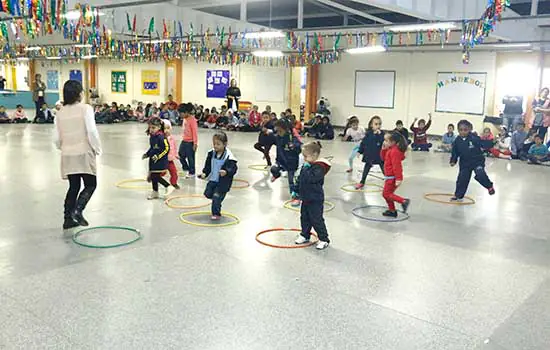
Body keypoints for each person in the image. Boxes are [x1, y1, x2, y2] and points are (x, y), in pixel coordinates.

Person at [54, 80, 102, 230]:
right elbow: (91, 131)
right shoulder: (85, 109)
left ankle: (67, 219)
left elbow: (56, 137)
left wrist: (64, 147)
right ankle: (77, 210)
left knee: (73, 187)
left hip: (67, 154)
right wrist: (97, 148)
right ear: (78, 93)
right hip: (84, 152)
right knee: (90, 184)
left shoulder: (60, 112)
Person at [293, 141, 331, 250]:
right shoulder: (308, 166)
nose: (304, 158)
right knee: (304, 218)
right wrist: (296, 191)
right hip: (306, 198)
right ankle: (305, 235)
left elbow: (312, 178)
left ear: (314, 155)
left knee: (316, 219)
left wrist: (305, 168)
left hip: (315, 199)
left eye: (306, 156)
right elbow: (300, 179)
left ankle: (324, 239)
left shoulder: (319, 167)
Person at [450, 119, 495, 202]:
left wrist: (492, 143)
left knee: (480, 174)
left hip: (477, 161)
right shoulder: (457, 141)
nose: (463, 132)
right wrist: (453, 160)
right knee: (462, 179)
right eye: (460, 130)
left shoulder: (474, 138)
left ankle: (489, 186)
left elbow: (483, 143)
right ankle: (458, 195)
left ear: (469, 129)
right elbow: (455, 152)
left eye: (465, 130)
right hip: (465, 163)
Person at [198, 131, 238, 220]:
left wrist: (226, 171)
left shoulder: (229, 156)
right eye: (214, 143)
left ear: (225, 144)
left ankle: (216, 213)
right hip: (213, 179)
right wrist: (205, 173)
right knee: (207, 194)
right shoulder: (211, 153)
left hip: (222, 183)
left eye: (218, 144)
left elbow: (234, 168)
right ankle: (217, 199)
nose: (215, 146)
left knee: (216, 197)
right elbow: (208, 165)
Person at [271, 119, 302, 205]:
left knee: (292, 182)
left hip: (291, 163)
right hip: (281, 162)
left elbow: (299, 147)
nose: (278, 133)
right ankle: (277, 174)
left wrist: (294, 146)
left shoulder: (292, 138)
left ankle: (296, 197)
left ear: (286, 129)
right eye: (277, 131)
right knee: (273, 169)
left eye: (280, 131)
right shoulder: (278, 137)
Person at [143, 117, 175, 200]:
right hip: (153, 160)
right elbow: (152, 148)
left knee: (155, 176)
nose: (151, 129)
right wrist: (147, 154)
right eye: (150, 127)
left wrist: (158, 156)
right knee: (153, 175)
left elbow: (166, 149)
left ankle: (168, 186)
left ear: (159, 127)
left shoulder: (161, 137)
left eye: (153, 127)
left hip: (160, 161)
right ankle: (155, 192)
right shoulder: (152, 137)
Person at [380, 132, 411, 218]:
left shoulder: (394, 152)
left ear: (393, 142)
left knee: (386, 194)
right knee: (387, 194)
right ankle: (392, 211)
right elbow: (383, 158)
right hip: (389, 177)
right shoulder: (390, 149)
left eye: (386, 140)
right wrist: (383, 149)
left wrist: (398, 178)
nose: (384, 142)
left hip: (392, 178)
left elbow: (397, 166)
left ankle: (403, 201)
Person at [355, 116, 385, 190]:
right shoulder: (368, 133)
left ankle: (389, 181)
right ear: (371, 125)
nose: (378, 126)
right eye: (376, 124)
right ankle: (362, 182)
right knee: (366, 168)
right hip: (369, 154)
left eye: (379, 124)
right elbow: (363, 143)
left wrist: (379, 135)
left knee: (384, 168)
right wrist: (359, 151)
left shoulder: (382, 134)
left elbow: (383, 142)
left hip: (379, 155)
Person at [178, 103, 198, 178]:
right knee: (180, 154)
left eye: (181, 113)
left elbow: (194, 132)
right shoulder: (184, 119)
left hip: (190, 142)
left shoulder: (192, 120)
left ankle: (192, 172)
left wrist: (195, 143)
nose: (180, 115)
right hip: (184, 141)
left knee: (191, 158)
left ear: (186, 112)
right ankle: (186, 168)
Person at [164, 120, 180, 189]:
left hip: (170, 160)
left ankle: (174, 183)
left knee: (174, 173)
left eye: (168, 128)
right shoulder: (161, 138)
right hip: (163, 160)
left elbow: (174, 147)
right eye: (164, 128)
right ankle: (156, 178)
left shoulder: (172, 138)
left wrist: (176, 154)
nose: (166, 130)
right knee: (161, 173)